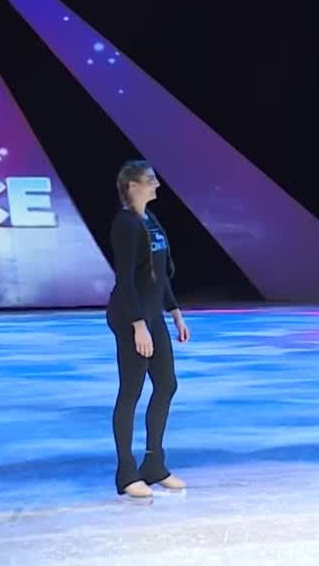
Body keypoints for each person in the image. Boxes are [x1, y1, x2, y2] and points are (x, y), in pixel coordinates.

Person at [106, 160, 190, 499]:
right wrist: (138, 325)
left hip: (153, 315)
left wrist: (175, 312)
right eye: (150, 180)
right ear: (132, 187)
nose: (157, 185)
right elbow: (125, 279)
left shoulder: (150, 221)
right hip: (130, 316)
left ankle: (154, 464)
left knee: (167, 384)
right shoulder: (124, 225)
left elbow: (159, 274)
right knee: (131, 392)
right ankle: (126, 474)